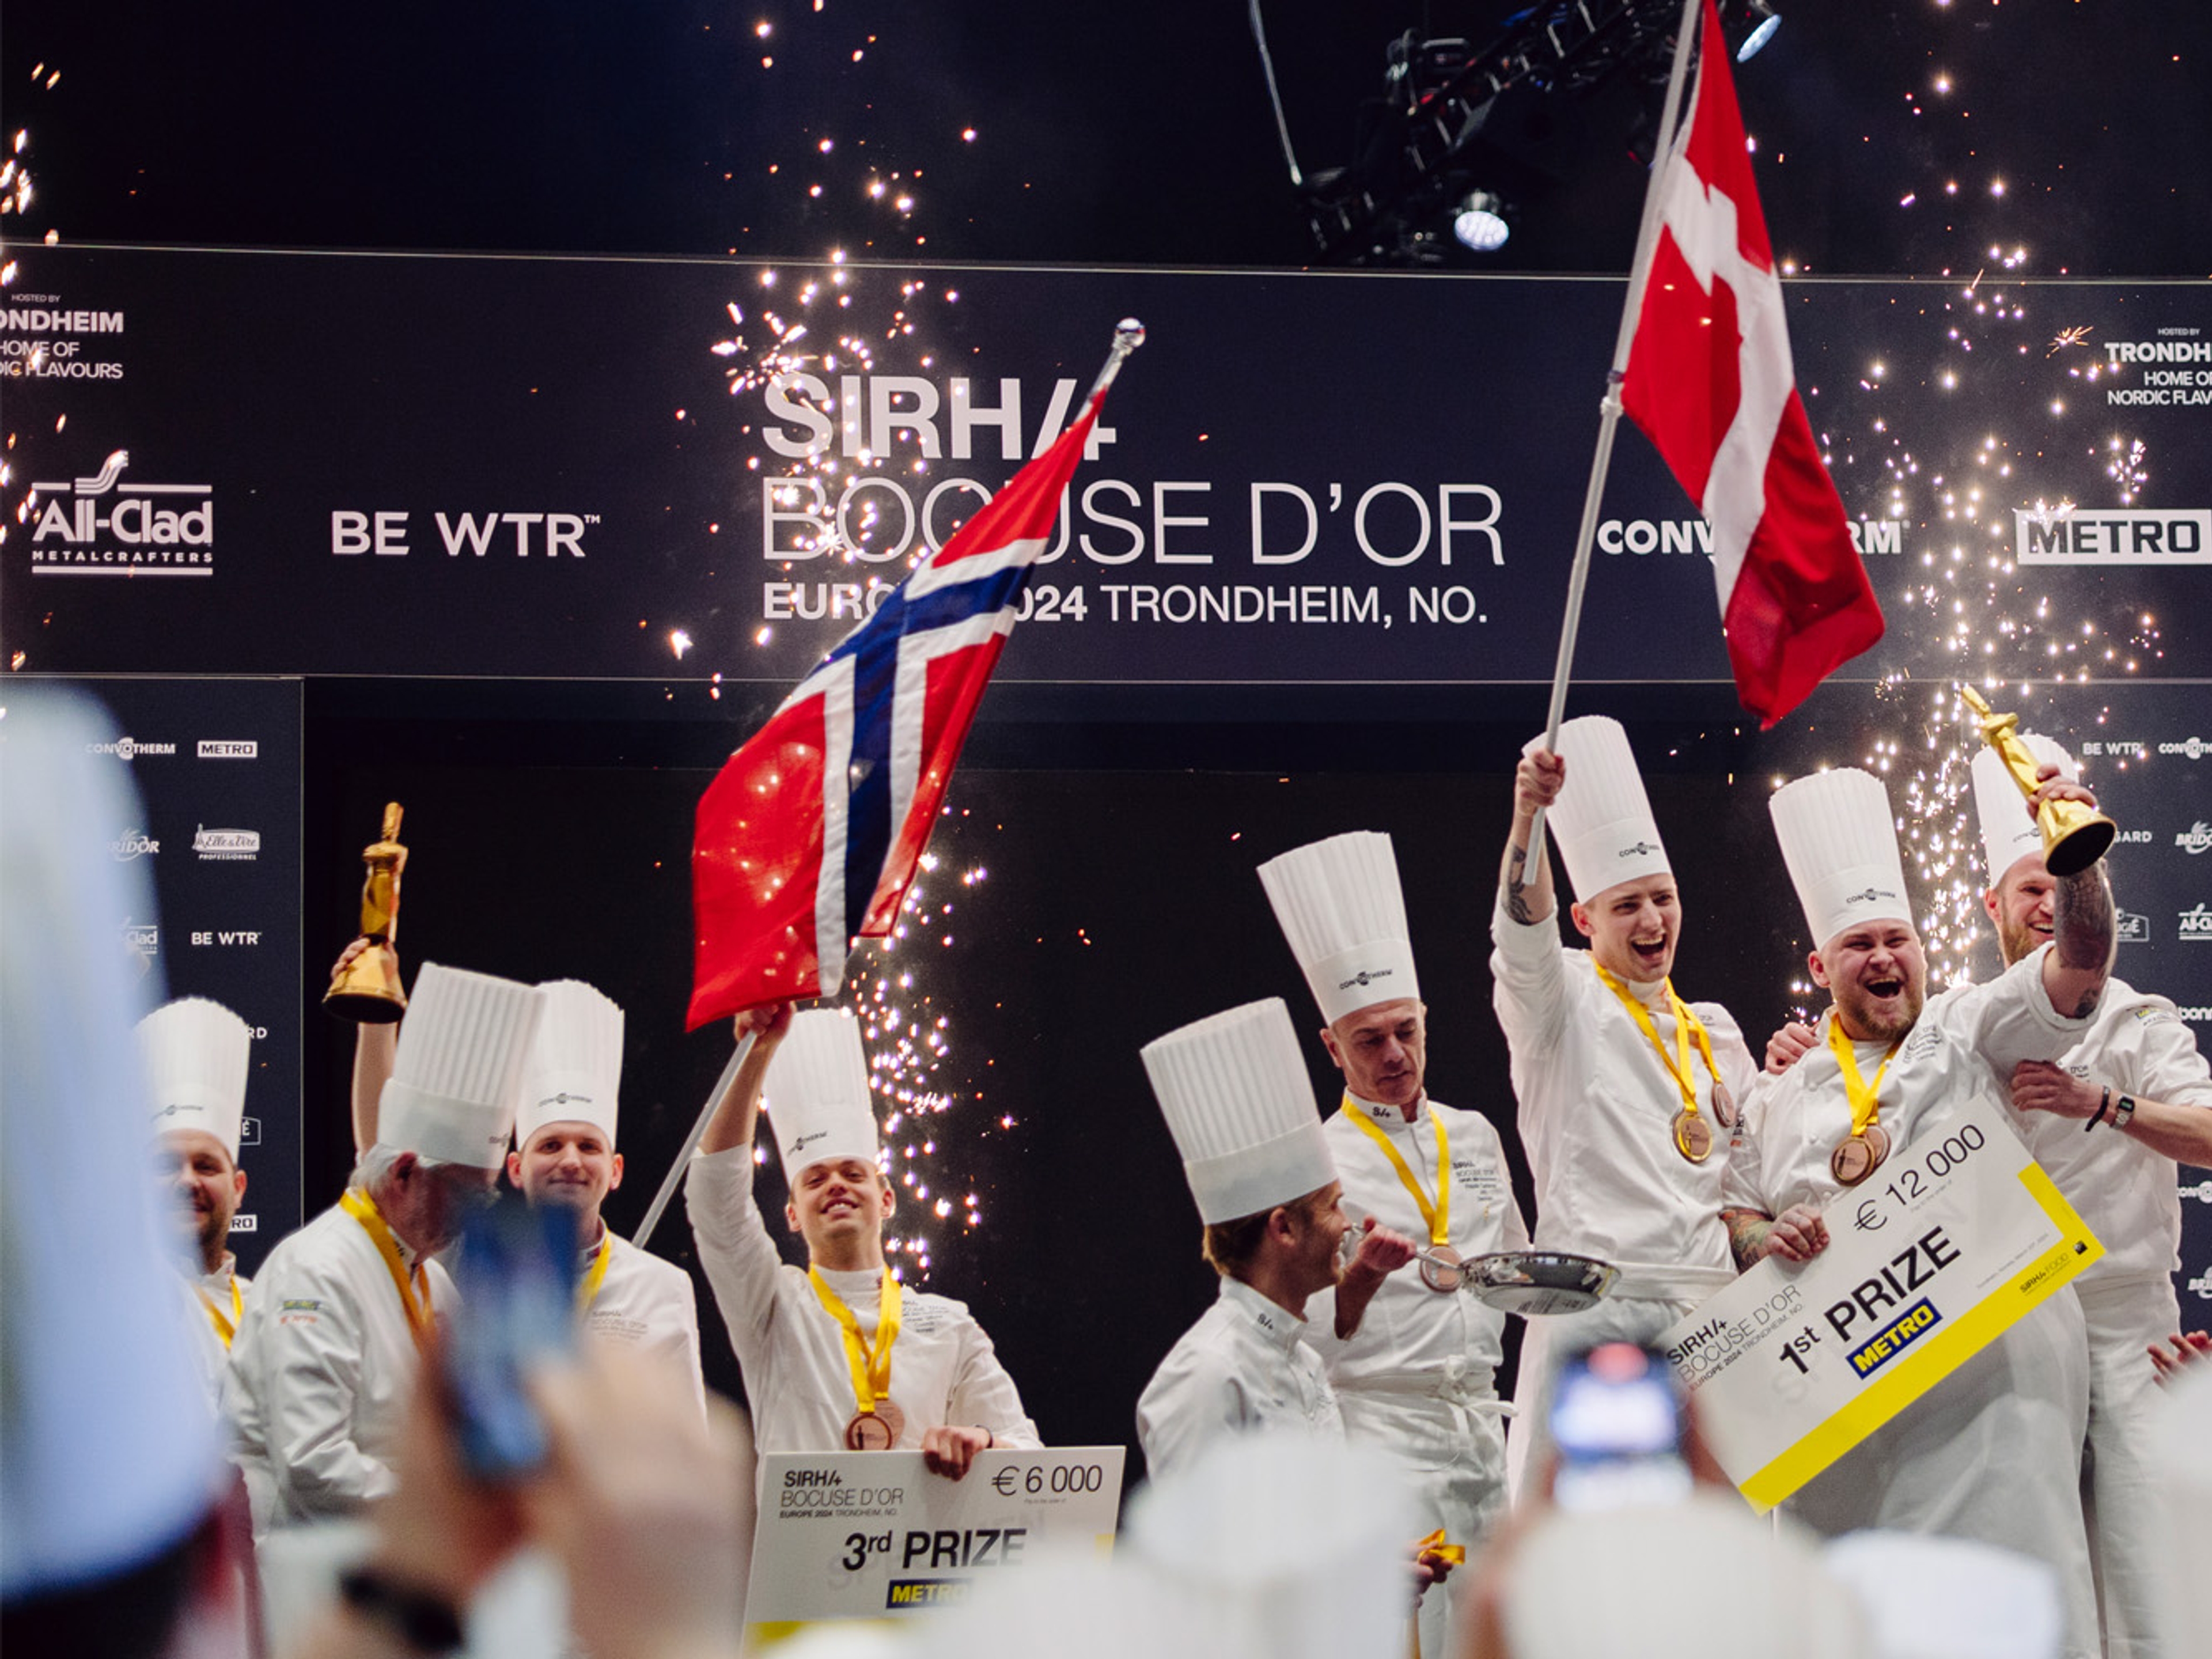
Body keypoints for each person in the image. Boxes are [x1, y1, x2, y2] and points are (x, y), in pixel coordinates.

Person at [1719, 763, 2109, 1658]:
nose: (1886, 958)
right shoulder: (1776, 1096)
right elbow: (1735, 1217)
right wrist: (1762, 1236)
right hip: (1849, 1435)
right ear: (1820, 966)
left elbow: (2081, 961)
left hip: (1997, 1403)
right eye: (1860, 945)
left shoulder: (1972, 1028)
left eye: (1899, 938)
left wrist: (2075, 853)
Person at [1257, 830, 1525, 1658]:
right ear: (1331, 1047)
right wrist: (1360, 1285)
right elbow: (1276, 1340)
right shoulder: (1309, 1166)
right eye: (1368, 1040)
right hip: (1376, 1434)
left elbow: (1512, 1276)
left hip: (1481, 1434)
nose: (1395, 1055)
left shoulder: (1474, 1136)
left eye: (1404, 1030)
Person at [1490, 715, 1754, 1491]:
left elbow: (1747, 1175)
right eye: (1628, 904)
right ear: (1585, 919)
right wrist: (1528, 819)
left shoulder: (1715, 1032)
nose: (1652, 921)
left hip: (1711, 1322)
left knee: (1710, 1564)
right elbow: (1523, 934)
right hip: (1595, 1310)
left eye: (1664, 899)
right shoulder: (1561, 1005)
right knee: (1579, 1568)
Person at [228, 963, 541, 1536]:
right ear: (403, 1174)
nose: (475, 1216)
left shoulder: (436, 1282)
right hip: (300, 1575)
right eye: (466, 1194)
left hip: (396, 1559)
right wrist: (446, 1501)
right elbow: (311, 1466)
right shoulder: (315, 1272)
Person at [339, 946, 707, 1403]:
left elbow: (688, 1430)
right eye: (550, 1145)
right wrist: (376, 1015)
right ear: (515, 1168)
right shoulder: (467, 1252)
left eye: (588, 1146)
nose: (571, 1160)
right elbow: (385, 1155)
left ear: (615, 1171)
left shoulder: (662, 1285)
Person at [686, 1002, 1039, 1477]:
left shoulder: (949, 1325)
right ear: (792, 1215)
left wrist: (984, 1441)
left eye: (854, 1173)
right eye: (814, 1180)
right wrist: (756, 1057)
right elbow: (715, 1202)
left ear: (887, 1198)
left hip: (914, 1551)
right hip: (797, 1552)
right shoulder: (773, 1304)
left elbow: (1030, 1455)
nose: (836, 1185)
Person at [1132, 996, 1416, 1479]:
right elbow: (1192, 1550)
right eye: (1332, 1207)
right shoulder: (1206, 1373)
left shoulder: (1302, 1359)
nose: (1346, 1225)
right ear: (1283, 1228)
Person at [140, 995, 259, 1410]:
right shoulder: (124, 1304)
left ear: (239, 1188)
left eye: (206, 1166)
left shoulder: (269, 1306)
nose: (187, 1180)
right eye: (166, 1165)